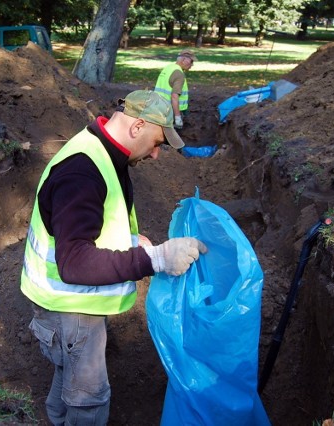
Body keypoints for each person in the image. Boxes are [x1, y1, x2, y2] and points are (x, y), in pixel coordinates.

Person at [20, 90, 208, 425]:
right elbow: (75, 262)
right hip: (71, 307)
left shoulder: (102, 149)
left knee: (69, 371)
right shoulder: (82, 173)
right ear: (137, 127)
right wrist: (156, 259)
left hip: (69, 306)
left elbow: (94, 222)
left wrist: (133, 241)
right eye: (157, 142)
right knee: (89, 399)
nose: (156, 155)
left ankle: (55, 417)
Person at [154, 49, 197, 130]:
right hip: (168, 112)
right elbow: (174, 96)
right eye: (191, 62)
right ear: (184, 60)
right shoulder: (179, 74)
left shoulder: (168, 68)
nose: (192, 65)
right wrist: (177, 117)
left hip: (157, 107)